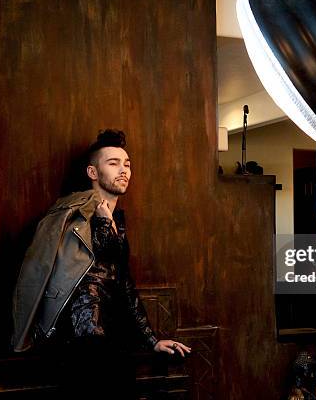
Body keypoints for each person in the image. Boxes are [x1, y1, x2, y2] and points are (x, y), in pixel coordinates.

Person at [12, 130, 191, 397]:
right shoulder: (72, 217)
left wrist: (152, 340)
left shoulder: (116, 220)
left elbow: (123, 283)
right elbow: (51, 274)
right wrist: (103, 220)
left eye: (127, 164)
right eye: (113, 163)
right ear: (93, 173)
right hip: (81, 340)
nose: (124, 170)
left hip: (113, 339)